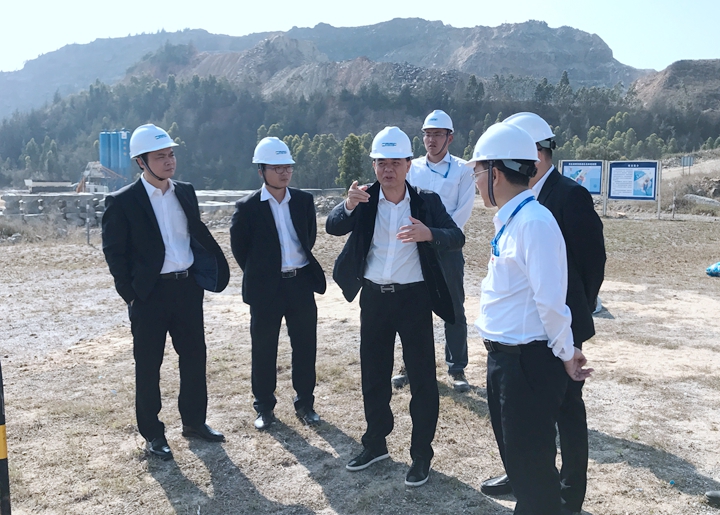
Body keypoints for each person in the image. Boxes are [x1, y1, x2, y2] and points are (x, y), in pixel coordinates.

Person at [480, 112, 606, 515]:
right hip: (510, 358)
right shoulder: (515, 218)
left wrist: (567, 349)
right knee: (525, 468)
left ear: (495, 174)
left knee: (535, 480)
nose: (475, 181)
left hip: (530, 361)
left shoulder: (534, 221)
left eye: (478, 171)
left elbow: (554, 298)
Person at [326, 126, 464, 487]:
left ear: (408, 165)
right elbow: (333, 227)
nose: (388, 170)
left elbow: (457, 237)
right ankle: (375, 443)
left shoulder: (426, 202)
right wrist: (347, 204)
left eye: (395, 163)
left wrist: (429, 234)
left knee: (422, 379)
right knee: (374, 375)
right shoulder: (364, 198)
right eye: (381, 163)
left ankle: (421, 454)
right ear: (374, 165)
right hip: (374, 298)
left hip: (414, 298)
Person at [102, 123, 230, 461]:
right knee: (148, 365)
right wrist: (131, 294)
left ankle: (194, 422)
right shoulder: (122, 201)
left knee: (194, 357)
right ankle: (153, 434)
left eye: (171, 154)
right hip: (149, 294)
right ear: (141, 162)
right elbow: (114, 252)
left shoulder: (185, 192)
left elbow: (195, 236)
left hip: (187, 288)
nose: (169, 161)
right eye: (160, 156)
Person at [230, 137, 327, 431]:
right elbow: (240, 249)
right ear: (261, 171)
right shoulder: (247, 207)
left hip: (300, 283)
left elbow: (308, 238)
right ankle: (264, 407)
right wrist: (263, 272)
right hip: (265, 288)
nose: (284, 173)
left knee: (305, 346)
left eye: (288, 167)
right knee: (263, 348)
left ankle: (305, 403)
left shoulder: (303, 201)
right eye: (277, 168)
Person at [389, 109, 475, 392]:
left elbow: (461, 212)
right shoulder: (411, 167)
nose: (431, 140)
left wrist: (436, 235)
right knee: (413, 309)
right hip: (415, 248)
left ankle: (457, 367)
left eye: (438, 134)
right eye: (427, 134)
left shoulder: (463, 170)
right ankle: (410, 366)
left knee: (453, 308)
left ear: (450, 138)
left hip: (448, 247)